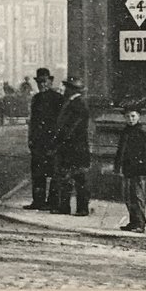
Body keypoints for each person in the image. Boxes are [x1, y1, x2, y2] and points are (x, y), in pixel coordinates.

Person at [23, 67, 63, 210]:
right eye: (39, 82)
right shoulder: (36, 99)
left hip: (52, 142)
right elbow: (33, 121)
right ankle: (38, 201)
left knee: (53, 173)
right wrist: (31, 139)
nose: (42, 85)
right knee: (37, 173)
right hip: (38, 142)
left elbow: (61, 122)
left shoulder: (58, 98)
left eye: (44, 81)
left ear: (50, 81)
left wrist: (57, 141)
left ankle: (52, 202)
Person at [113, 108, 146, 233]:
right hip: (128, 167)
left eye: (133, 116)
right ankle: (133, 222)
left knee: (138, 196)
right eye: (127, 117)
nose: (130, 119)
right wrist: (117, 165)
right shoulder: (126, 131)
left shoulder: (142, 131)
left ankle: (140, 224)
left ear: (139, 116)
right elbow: (121, 150)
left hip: (138, 168)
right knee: (128, 196)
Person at [51, 76, 91, 216]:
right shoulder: (73, 102)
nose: (64, 90)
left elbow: (71, 128)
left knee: (77, 179)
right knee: (67, 178)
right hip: (73, 147)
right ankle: (66, 207)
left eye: (66, 87)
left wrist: (59, 141)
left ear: (71, 89)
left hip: (74, 148)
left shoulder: (78, 103)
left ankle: (81, 208)